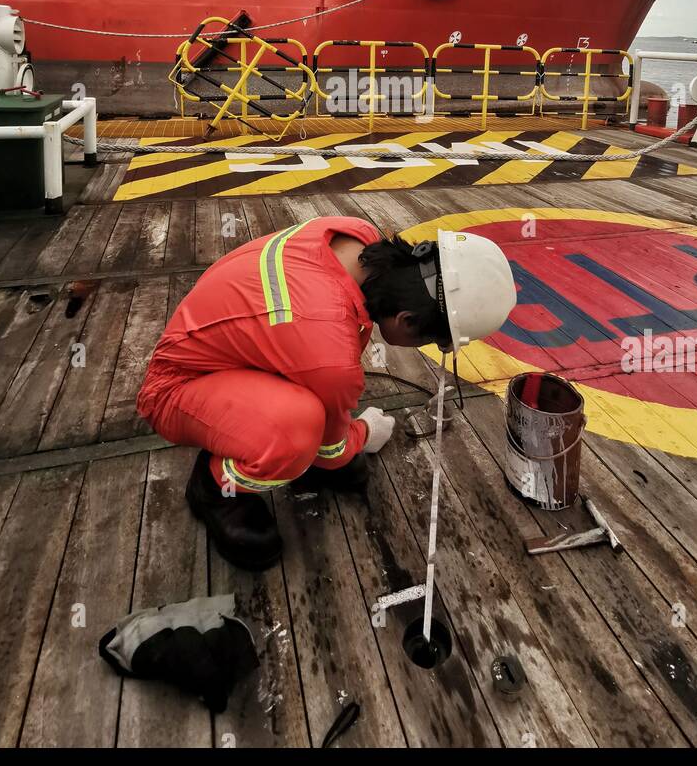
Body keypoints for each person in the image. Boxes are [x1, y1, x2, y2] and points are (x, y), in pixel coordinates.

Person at [137, 215, 517, 570]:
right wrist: (365, 433)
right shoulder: (328, 345)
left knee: (317, 422)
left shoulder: (358, 238)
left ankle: (251, 424)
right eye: (433, 339)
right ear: (406, 320)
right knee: (297, 435)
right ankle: (215, 484)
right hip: (175, 389)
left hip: (230, 355)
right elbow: (333, 448)